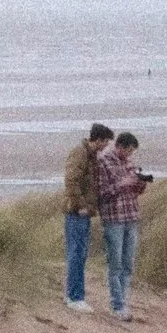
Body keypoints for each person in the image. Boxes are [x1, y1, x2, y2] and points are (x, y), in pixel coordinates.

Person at [94, 131, 148, 322]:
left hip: (131, 215)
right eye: (129, 151)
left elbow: (134, 191)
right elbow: (101, 193)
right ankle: (117, 304)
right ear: (119, 146)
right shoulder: (104, 162)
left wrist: (139, 184)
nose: (130, 156)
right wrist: (122, 184)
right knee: (115, 262)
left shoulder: (129, 163)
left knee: (128, 263)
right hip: (114, 217)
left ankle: (123, 301)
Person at [62, 122, 113, 310]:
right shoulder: (80, 153)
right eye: (105, 142)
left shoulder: (91, 156)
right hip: (76, 211)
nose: (106, 146)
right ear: (98, 140)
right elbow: (71, 180)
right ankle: (75, 297)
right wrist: (81, 205)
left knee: (80, 253)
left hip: (84, 212)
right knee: (77, 252)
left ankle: (74, 295)